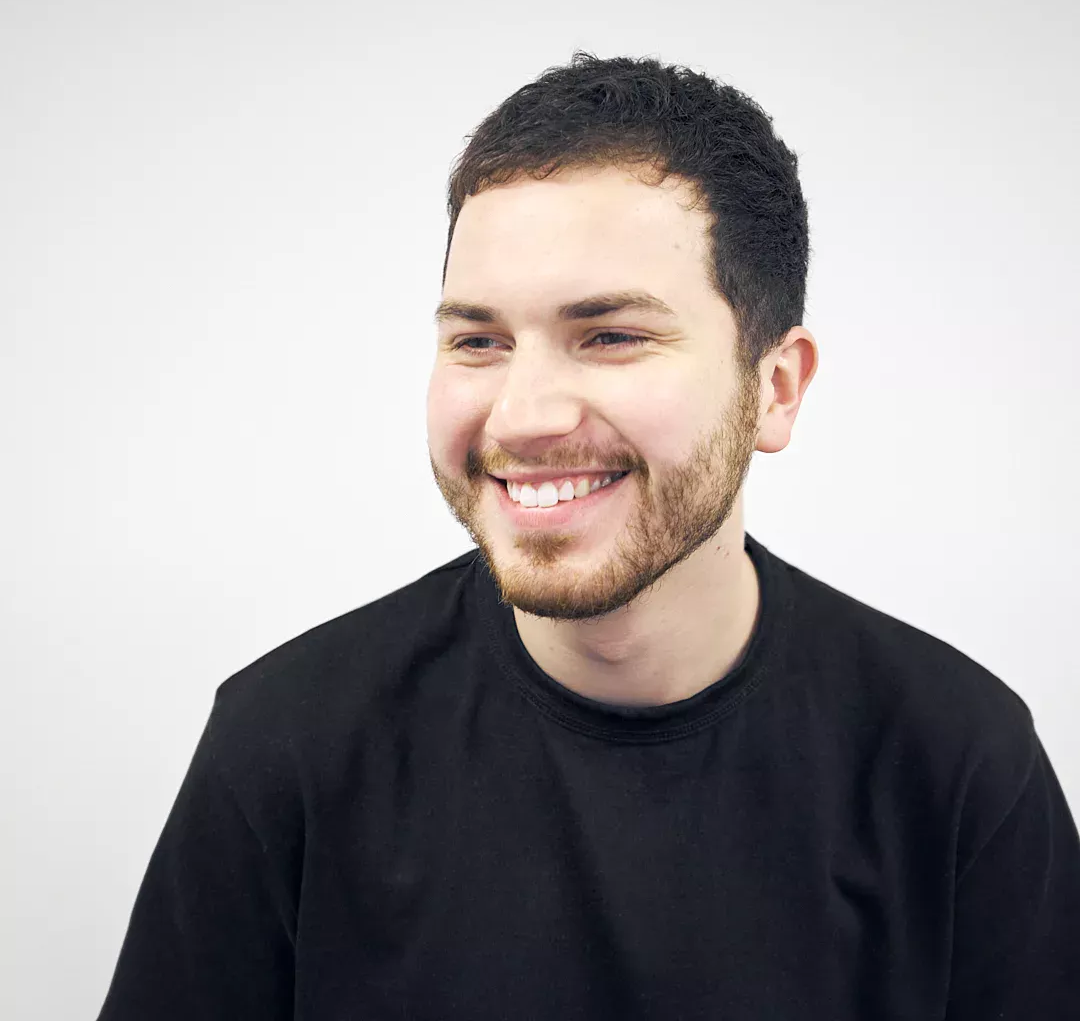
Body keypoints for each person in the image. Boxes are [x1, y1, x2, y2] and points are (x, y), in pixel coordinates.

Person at [96, 52, 1080, 1020]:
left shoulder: (955, 762)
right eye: (477, 340)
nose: (522, 414)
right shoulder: (289, 741)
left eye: (610, 334)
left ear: (775, 389)